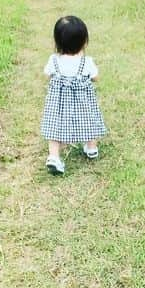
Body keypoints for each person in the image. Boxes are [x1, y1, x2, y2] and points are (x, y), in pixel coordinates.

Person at [41, 15, 107, 175]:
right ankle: (91, 148)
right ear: (84, 41)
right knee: (89, 120)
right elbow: (96, 77)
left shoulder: (54, 60)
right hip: (83, 102)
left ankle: (54, 156)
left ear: (57, 42)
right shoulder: (87, 62)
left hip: (59, 104)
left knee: (54, 127)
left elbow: (46, 75)